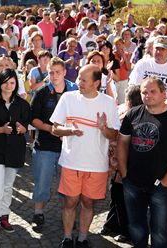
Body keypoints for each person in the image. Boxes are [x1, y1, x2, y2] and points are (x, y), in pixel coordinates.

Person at [117, 77, 167, 248]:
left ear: (164, 94)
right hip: (133, 182)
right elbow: (122, 142)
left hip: (160, 186)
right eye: (144, 92)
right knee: (136, 227)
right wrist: (124, 173)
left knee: (160, 232)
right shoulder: (133, 114)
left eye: (152, 91)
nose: (147, 95)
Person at [50, 65, 119, 248]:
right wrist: (70, 131)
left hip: (96, 164)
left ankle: (82, 238)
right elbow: (55, 129)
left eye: (83, 80)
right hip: (71, 161)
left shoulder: (108, 102)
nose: (78, 83)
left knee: (88, 202)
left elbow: (115, 135)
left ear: (97, 83)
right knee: (70, 201)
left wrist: (104, 128)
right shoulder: (68, 98)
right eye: (79, 78)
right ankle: (66, 237)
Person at [0, 69, 30, 246]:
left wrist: (22, 128)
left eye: (12, 82)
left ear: (16, 84)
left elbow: (27, 126)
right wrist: (2, 130)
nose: (9, 86)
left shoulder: (22, 104)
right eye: (6, 82)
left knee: (8, 187)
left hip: (15, 151)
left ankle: (4, 216)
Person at [30, 57, 77, 232]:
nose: (54, 76)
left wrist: (67, 131)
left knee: (68, 185)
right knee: (42, 182)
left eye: (58, 72)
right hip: (45, 145)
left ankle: (68, 215)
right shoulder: (41, 92)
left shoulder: (74, 92)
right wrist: (50, 129)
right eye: (51, 72)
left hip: (68, 147)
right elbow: (33, 119)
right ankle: (38, 213)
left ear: (64, 72)